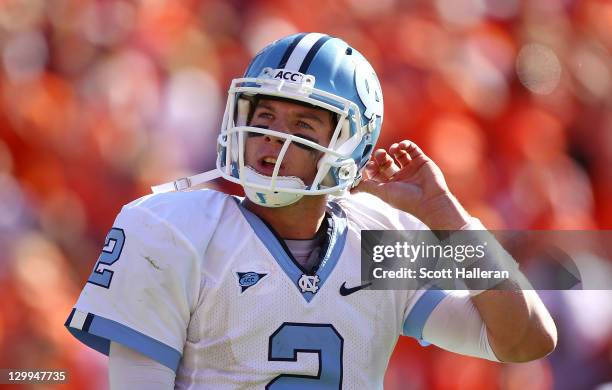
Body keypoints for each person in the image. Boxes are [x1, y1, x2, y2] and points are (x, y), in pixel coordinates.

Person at [65, 32, 557, 389]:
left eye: (302, 127)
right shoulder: (172, 230)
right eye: (264, 117)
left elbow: (525, 340)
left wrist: (450, 222)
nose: (271, 138)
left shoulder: (380, 240)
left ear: (349, 149)